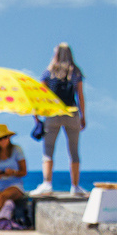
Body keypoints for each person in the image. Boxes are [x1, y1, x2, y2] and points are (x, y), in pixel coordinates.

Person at [32, 43, 86, 198]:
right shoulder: (75, 72)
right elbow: (80, 96)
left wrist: (36, 116)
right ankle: (75, 186)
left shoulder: (48, 72)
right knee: (74, 151)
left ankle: (47, 183)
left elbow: (40, 96)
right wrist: (83, 116)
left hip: (53, 114)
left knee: (48, 150)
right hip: (72, 113)